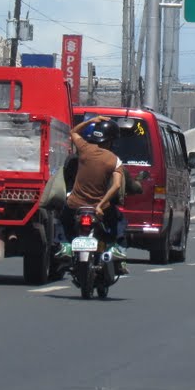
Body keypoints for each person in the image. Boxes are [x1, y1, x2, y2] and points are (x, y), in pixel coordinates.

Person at [62, 115, 127, 273]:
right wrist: (100, 205)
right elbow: (117, 185)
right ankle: (117, 248)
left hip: (75, 204)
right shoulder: (114, 160)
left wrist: (91, 121)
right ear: (111, 141)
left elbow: (73, 132)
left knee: (63, 218)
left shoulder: (83, 149)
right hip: (99, 208)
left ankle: (66, 245)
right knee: (120, 221)